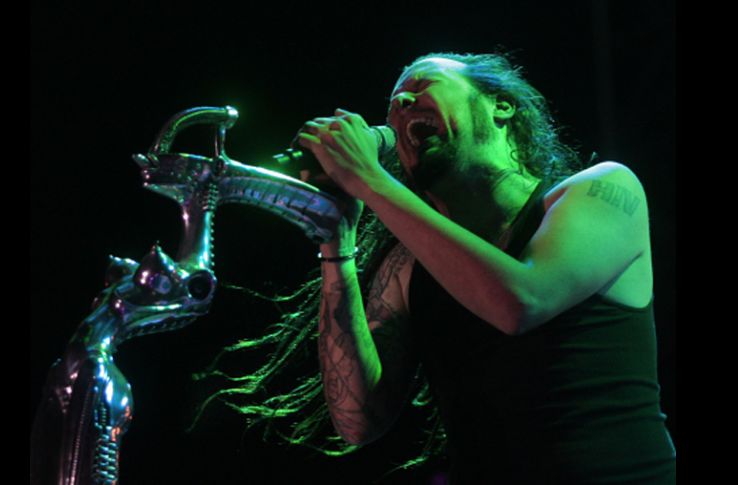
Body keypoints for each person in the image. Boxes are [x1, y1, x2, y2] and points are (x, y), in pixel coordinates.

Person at [289, 53, 676, 483]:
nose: (400, 105)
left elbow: (521, 302)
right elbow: (359, 421)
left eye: (421, 85)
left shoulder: (602, 189)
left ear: (501, 105)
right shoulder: (408, 265)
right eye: (393, 105)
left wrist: (369, 179)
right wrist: (336, 244)